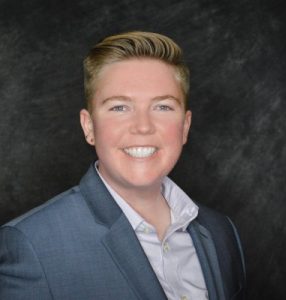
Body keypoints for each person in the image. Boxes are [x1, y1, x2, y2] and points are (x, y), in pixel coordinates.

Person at [0, 31, 246, 300]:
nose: (143, 127)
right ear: (89, 126)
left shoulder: (222, 232)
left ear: (184, 127)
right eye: (119, 107)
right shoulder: (31, 245)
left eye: (162, 107)